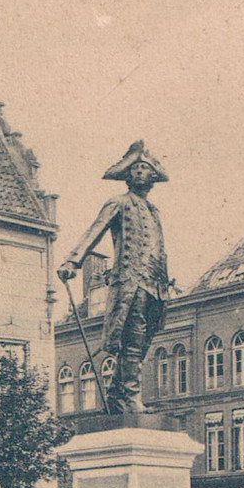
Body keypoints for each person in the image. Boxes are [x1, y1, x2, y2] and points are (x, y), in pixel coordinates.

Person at [57, 141, 170, 414]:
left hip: (153, 285)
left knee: (142, 341)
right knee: (131, 338)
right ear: (128, 175)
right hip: (130, 282)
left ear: (153, 177)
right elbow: (95, 231)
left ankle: (116, 394)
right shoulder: (118, 203)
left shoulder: (154, 211)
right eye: (136, 169)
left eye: (146, 169)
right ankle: (129, 396)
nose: (141, 173)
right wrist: (73, 261)